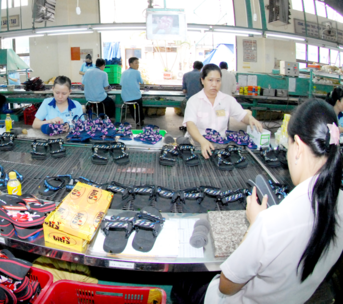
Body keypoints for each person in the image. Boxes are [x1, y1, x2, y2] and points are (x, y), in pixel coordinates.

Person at [181, 99, 343, 304]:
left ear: (299, 146)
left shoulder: (272, 223)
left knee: (186, 277)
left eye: (289, 144)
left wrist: (255, 225)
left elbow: (226, 286)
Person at [183, 64, 262, 159]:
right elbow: (190, 124)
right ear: (202, 80)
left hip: (220, 146)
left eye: (218, 80)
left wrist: (250, 119)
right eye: (210, 80)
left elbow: (242, 115)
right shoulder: (194, 101)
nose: (214, 84)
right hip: (197, 145)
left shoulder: (228, 100)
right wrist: (202, 141)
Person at [120, 57, 144, 126]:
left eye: (138, 63)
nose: (137, 65)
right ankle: (140, 120)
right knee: (138, 103)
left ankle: (136, 120)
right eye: (136, 63)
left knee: (132, 105)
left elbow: (121, 84)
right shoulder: (137, 72)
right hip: (135, 97)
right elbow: (142, 82)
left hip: (125, 98)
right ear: (130, 64)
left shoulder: (124, 72)